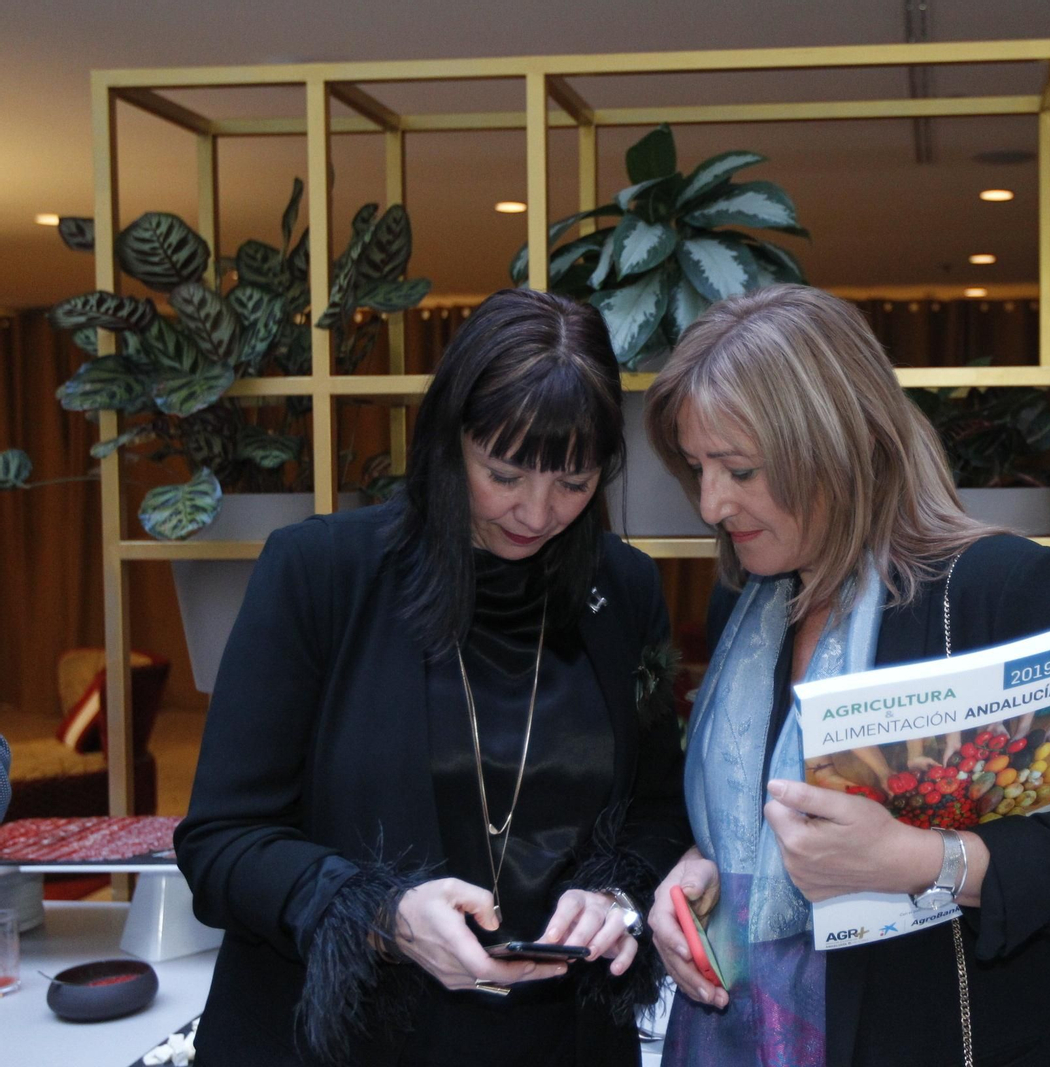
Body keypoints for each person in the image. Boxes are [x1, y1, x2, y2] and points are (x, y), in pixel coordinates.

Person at [640, 284, 1050, 1067]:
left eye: (741, 469)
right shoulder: (746, 606)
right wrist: (696, 871)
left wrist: (923, 861)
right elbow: (749, 819)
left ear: (839, 446)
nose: (713, 503)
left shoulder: (995, 590)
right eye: (698, 468)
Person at [175, 288, 691, 1067]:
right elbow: (221, 842)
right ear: (450, 442)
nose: (537, 512)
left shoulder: (624, 590)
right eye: (504, 474)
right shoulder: (320, 572)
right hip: (343, 1045)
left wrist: (618, 895)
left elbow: (659, 806)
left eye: (573, 480)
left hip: (562, 1041)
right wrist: (379, 914)